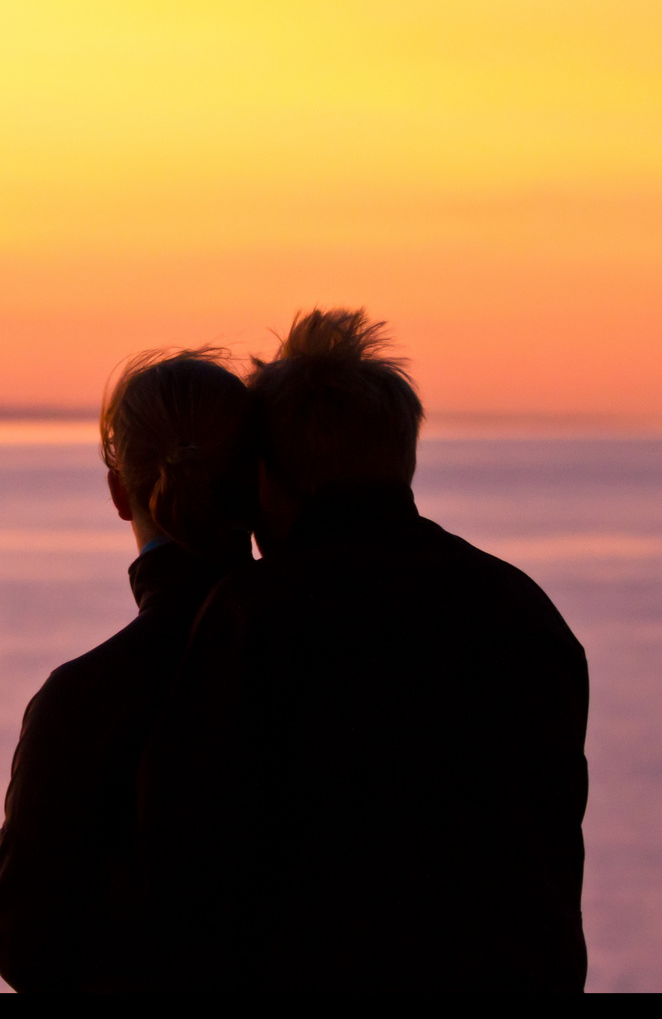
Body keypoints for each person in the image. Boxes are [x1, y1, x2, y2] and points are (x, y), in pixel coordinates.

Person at [138, 309, 590, 992]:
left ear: (260, 479)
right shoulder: (522, 611)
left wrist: (191, 576)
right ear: (400, 455)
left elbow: (182, 863)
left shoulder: (256, 618)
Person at [0, 348, 257, 992]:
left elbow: (23, 939)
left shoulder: (82, 699)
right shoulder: (340, 663)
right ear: (256, 482)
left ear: (118, 493)